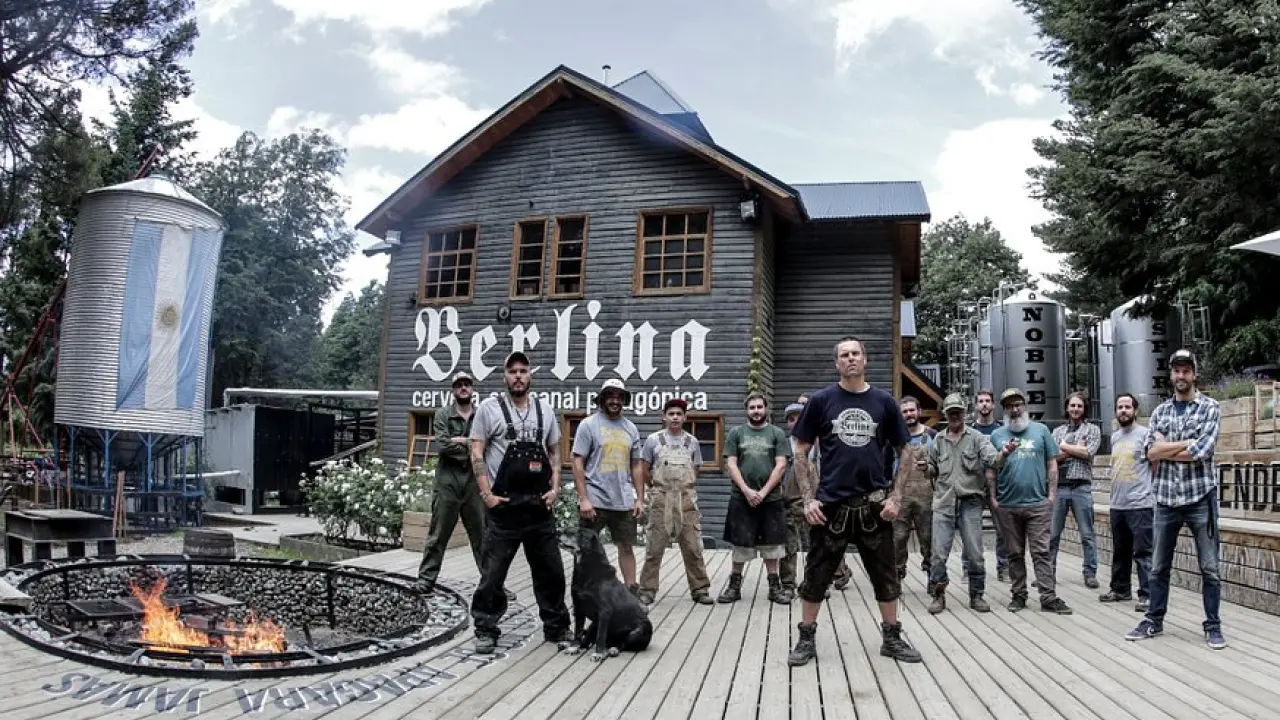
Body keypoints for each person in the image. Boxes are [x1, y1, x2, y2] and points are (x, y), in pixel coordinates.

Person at [787, 336, 921, 667]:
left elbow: (906, 449)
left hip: (874, 505)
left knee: (886, 575)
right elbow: (800, 449)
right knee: (816, 575)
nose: (850, 359)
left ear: (865, 360)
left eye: (855, 353)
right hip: (830, 505)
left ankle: (892, 637)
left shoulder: (884, 402)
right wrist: (808, 500)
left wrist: (896, 497)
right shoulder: (821, 401)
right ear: (837, 363)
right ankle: (806, 638)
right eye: (844, 355)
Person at [469, 351, 571, 654]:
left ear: (530, 375)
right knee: (493, 575)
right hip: (503, 509)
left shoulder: (545, 410)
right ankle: (486, 628)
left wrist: (555, 489)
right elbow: (477, 452)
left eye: (523, 370)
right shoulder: (489, 409)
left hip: (539, 508)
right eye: (511, 371)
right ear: (504, 377)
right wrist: (486, 494)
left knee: (551, 572)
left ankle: (556, 627)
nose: (517, 376)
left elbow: (555, 453)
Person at [1127, 349, 1225, 649]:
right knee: (1158, 566)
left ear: (1194, 374)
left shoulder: (1211, 407)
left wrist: (1166, 447)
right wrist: (1183, 445)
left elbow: (1203, 451)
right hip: (1166, 499)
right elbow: (1149, 452)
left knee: (1209, 567)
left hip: (1200, 498)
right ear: (1171, 375)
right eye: (1176, 371)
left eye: (1186, 370)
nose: (1181, 376)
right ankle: (1154, 620)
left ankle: (1213, 625)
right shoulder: (1160, 412)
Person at [990, 388, 1073, 615]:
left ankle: (1048, 597)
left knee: (1041, 552)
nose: (1015, 409)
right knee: (1014, 553)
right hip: (1008, 504)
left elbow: (1052, 463)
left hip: (1038, 503)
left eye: (1018, 404)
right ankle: (1018, 595)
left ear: (1025, 406)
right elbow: (991, 469)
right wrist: (993, 498)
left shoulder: (1041, 430)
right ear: (1004, 410)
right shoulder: (997, 435)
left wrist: (1052, 495)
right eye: (1009, 406)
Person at [925, 393, 1003, 614]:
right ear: (946, 415)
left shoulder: (978, 438)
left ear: (964, 413)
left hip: (970, 502)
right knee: (938, 553)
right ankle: (938, 595)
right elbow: (932, 468)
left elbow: (993, 460)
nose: (955, 416)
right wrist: (925, 467)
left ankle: (976, 595)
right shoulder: (938, 440)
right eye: (951, 413)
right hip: (943, 502)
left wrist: (1004, 454)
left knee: (975, 552)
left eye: (958, 412)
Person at [636, 397, 714, 605]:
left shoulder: (692, 442)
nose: (675, 417)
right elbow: (644, 469)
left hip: (686, 501)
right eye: (671, 414)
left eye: (679, 414)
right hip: (661, 500)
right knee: (654, 548)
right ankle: (647, 590)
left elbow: (695, 469)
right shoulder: (654, 440)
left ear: (685, 417)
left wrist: (683, 487)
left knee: (693, 546)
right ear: (664, 417)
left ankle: (700, 589)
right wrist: (656, 489)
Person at [719, 392, 792, 605]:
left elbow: (781, 465)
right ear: (746, 411)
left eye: (760, 407)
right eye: (752, 408)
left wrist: (763, 492)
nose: (756, 411)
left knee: (772, 545)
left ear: (766, 409)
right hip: (741, 499)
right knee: (740, 545)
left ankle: (774, 587)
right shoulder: (736, 433)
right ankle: (734, 587)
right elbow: (731, 464)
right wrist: (747, 491)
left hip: (770, 499)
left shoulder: (776, 433)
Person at [573, 378, 644, 592]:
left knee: (626, 547)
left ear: (623, 400)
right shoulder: (589, 425)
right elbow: (577, 462)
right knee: (585, 549)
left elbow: (637, 465)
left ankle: (631, 590)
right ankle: (583, 591)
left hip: (622, 501)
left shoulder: (630, 428)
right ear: (603, 398)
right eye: (610, 396)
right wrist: (584, 498)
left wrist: (639, 498)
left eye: (619, 397)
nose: (615, 400)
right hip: (594, 501)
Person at [417, 372, 485, 594]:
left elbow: (489, 443)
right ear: (453, 390)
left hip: (474, 483)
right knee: (438, 534)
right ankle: (426, 579)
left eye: (467, 384)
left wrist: (463, 442)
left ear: (472, 389)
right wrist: (472, 446)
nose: (463, 388)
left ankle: (493, 584)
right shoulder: (442, 414)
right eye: (459, 385)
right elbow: (445, 445)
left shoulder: (481, 415)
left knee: (482, 536)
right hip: (447, 482)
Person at [780, 400, 851, 602]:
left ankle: (817, 582)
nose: (795, 423)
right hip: (790, 501)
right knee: (789, 546)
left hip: (820, 502)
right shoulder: (784, 445)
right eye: (791, 419)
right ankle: (787, 585)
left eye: (799, 418)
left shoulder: (823, 444)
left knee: (818, 546)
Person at [1102, 393, 1154, 613]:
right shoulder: (1115, 437)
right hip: (1118, 503)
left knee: (1143, 553)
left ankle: (1148, 595)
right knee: (1120, 550)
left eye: (1127, 407)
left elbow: (1156, 465)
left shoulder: (1145, 435)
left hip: (1140, 503)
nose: (1123, 410)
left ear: (1135, 410)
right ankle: (1121, 588)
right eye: (1120, 407)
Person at [1049, 392, 1102, 588]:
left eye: (1079, 406)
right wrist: (1072, 448)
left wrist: (1065, 448)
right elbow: (1052, 457)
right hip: (1060, 488)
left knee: (1087, 534)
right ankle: (1048, 573)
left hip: (1081, 487)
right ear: (1067, 408)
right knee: (1053, 534)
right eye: (1072, 406)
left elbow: (1088, 453)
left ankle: (1090, 573)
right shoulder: (1057, 432)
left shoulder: (1093, 430)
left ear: (1084, 408)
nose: (1075, 409)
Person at [965, 389, 1008, 581]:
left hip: (998, 486)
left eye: (987, 401)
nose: (984, 404)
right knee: (970, 528)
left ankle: (1004, 568)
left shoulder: (1001, 431)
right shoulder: (970, 431)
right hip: (974, 484)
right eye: (980, 401)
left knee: (1002, 529)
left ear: (993, 404)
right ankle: (969, 568)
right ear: (976, 405)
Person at [892, 396, 936, 580]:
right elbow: (887, 467)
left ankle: (934, 579)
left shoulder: (933, 436)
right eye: (905, 411)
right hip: (900, 496)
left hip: (927, 497)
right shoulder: (894, 437)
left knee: (929, 540)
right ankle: (896, 577)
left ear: (919, 411)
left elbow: (940, 466)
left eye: (911, 410)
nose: (909, 414)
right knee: (897, 540)